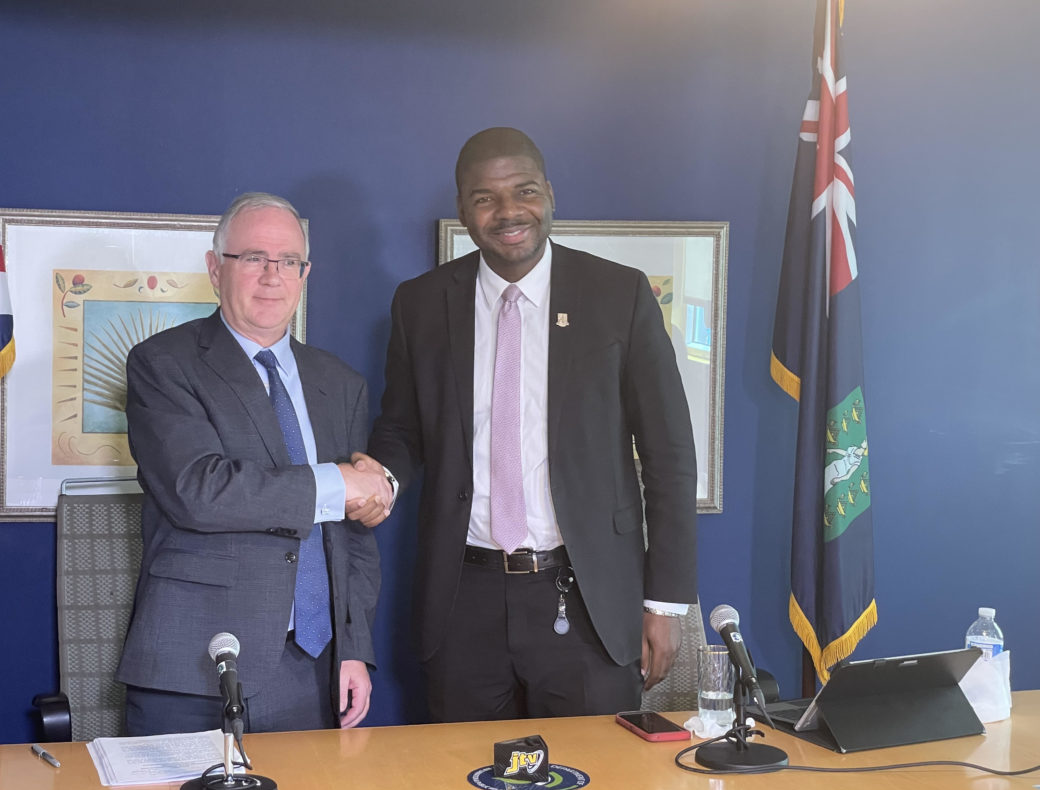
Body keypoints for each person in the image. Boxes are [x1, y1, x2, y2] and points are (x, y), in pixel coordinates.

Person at [360, 128, 698, 722]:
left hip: (587, 594)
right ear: (463, 209)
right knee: (464, 775)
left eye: (524, 191)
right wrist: (381, 477)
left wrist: (666, 604)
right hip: (462, 598)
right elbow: (403, 429)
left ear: (550, 194)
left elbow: (669, 456)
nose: (509, 211)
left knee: (595, 778)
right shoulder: (421, 304)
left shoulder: (619, 295)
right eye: (485, 198)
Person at [117, 192, 391, 735]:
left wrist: (354, 648)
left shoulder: (340, 383)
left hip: (312, 668)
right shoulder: (163, 364)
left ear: (305, 274)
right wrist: (338, 482)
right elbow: (198, 490)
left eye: (288, 261)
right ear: (215, 269)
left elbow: (352, 537)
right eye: (253, 258)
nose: (272, 276)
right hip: (195, 667)